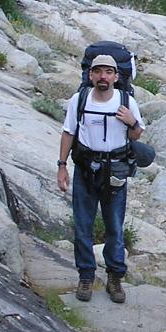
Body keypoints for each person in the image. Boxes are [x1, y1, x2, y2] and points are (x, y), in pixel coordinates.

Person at [56, 54, 144, 304]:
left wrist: (131, 122)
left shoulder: (126, 101)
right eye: (98, 72)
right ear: (90, 75)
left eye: (108, 72)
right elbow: (68, 132)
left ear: (116, 77)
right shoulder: (79, 99)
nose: (103, 77)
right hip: (85, 171)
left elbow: (137, 135)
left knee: (114, 227)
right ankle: (86, 276)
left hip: (115, 172)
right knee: (83, 226)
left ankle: (115, 278)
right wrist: (62, 166)